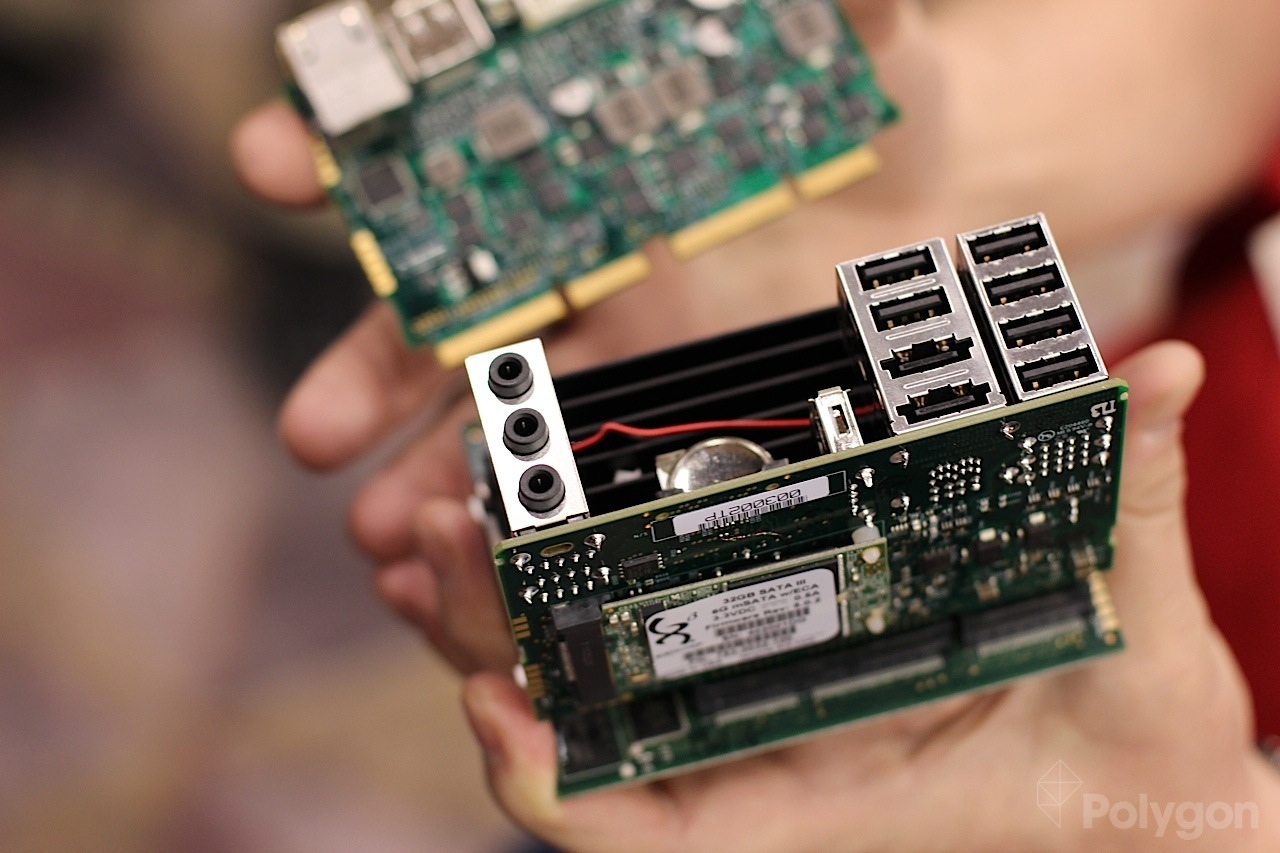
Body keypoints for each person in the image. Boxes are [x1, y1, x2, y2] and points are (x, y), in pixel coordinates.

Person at [231, 0, 1280, 846]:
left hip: (1110, 744)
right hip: (976, 579)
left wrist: (1217, 820)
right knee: (574, 676)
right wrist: (976, 156)